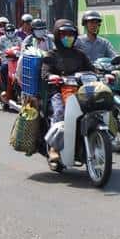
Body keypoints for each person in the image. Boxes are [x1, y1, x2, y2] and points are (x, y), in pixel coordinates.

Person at [40, 19, 96, 163]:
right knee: (59, 112)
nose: (68, 37)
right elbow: (45, 73)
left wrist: (103, 74)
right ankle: (54, 148)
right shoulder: (51, 55)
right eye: (64, 34)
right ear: (57, 36)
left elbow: (91, 69)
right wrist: (53, 76)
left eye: (71, 34)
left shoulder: (80, 54)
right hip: (58, 91)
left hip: (80, 91)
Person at [0, 24, 19, 97]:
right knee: (3, 69)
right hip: (6, 60)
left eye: (12, 31)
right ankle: (4, 89)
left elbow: (23, 48)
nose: (10, 32)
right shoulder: (2, 39)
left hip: (17, 61)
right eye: (8, 31)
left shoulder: (18, 39)